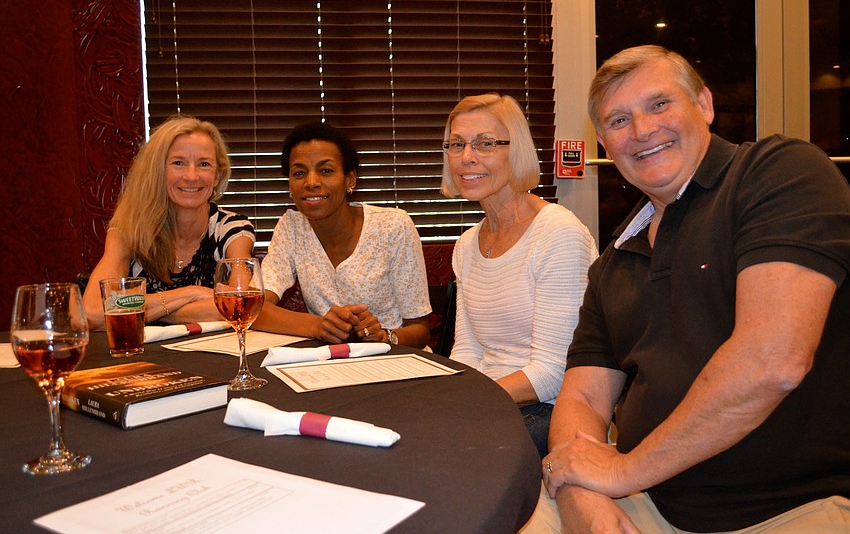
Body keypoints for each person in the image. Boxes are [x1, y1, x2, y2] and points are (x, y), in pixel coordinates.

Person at [541, 45, 850, 533]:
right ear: (604, 142)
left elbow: (773, 362)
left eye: (659, 104)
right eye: (619, 120)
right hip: (651, 500)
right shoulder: (614, 261)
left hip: (794, 508)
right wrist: (579, 488)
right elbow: (582, 400)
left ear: (704, 105)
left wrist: (622, 470)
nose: (642, 130)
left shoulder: (777, 173)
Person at [441, 93, 597, 459]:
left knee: (443, 455)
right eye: (457, 144)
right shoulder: (466, 245)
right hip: (491, 398)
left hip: (551, 409)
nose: (467, 157)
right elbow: (468, 350)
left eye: (486, 144)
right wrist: (449, 398)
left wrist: (466, 401)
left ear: (518, 151)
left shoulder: (557, 233)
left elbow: (554, 372)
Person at [254, 120, 432, 348]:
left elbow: (420, 330)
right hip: (331, 363)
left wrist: (385, 336)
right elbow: (255, 309)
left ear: (350, 179)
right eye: (299, 173)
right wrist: (318, 326)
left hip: (395, 361)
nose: (311, 182)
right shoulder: (291, 227)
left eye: (326, 170)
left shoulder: (393, 226)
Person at [83, 116, 255, 329]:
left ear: (217, 176)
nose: (192, 176)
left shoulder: (232, 229)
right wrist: (190, 293)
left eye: (204, 164)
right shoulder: (128, 231)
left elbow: (237, 306)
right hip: (145, 359)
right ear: (158, 171)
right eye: (178, 163)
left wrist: (144, 310)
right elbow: (93, 312)